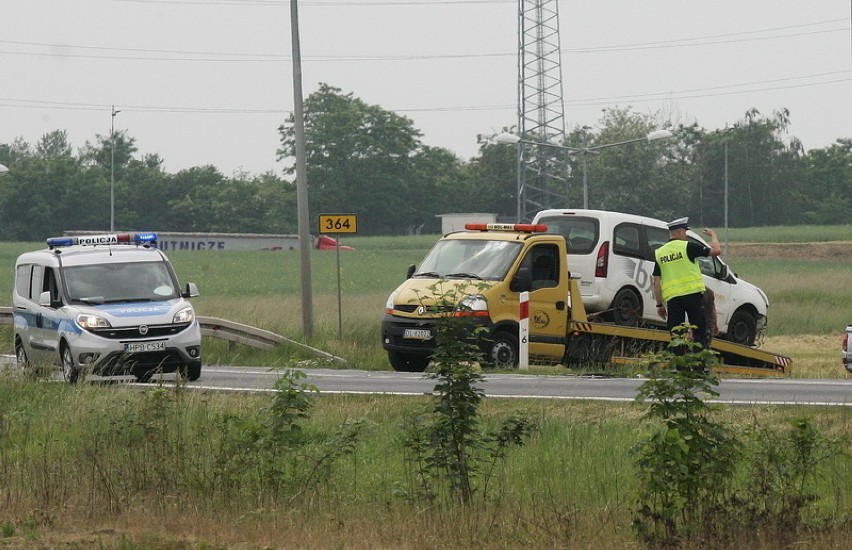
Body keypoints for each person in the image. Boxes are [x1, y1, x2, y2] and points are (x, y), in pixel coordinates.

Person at [651, 217, 721, 350]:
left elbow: (656, 281)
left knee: (676, 335)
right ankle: (699, 366)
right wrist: (713, 235)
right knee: (699, 332)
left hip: (673, 299)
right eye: (685, 232)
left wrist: (659, 304)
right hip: (693, 296)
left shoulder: (660, 253)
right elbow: (716, 251)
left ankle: (679, 366)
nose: (686, 235)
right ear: (680, 231)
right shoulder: (688, 247)